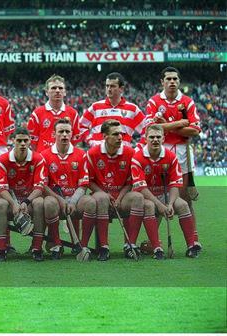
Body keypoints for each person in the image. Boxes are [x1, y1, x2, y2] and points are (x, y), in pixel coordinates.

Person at [144, 66, 201, 250]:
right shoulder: (154, 102)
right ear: (162, 82)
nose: (172, 82)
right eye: (168, 79)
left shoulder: (187, 102)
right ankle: (153, 242)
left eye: (175, 79)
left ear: (179, 81)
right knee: (159, 195)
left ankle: (194, 239)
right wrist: (179, 124)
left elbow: (194, 130)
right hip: (158, 151)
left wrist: (167, 126)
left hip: (183, 153)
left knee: (185, 199)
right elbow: (152, 129)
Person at [131, 124, 200, 258]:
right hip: (146, 197)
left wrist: (170, 204)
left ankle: (192, 246)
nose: (155, 140)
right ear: (145, 139)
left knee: (184, 205)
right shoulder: (137, 158)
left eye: (158, 137)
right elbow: (142, 188)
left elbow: (175, 184)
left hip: (166, 195)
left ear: (163, 139)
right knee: (150, 206)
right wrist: (159, 205)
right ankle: (157, 249)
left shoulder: (171, 157)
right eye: (151, 137)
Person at [85, 120, 144, 261]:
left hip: (122, 197)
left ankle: (130, 245)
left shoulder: (130, 152)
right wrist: (105, 194)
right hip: (101, 195)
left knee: (138, 198)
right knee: (102, 198)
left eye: (121, 134)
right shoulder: (93, 153)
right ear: (105, 136)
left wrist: (118, 198)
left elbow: (130, 182)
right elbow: (89, 181)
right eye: (115, 134)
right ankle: (104, 247)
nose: (120, 137)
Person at [40, 119, 96, 259]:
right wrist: (60, 199)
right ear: (54, 134)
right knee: (49, 203)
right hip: (55, 197)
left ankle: (82, 245)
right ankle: (57, 244)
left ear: (71, 134)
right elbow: (43, 185)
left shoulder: (81, 154)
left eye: (67, 132)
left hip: (75, 197)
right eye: (61, 132)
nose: (64, 135)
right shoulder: (44, 155)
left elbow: (83, 184)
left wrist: (72, 201)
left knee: (90, 202)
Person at [0, 128, 45, 261]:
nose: (22, 143)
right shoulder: (2, 159)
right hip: (11, 199)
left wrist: (26, 202)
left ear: (30, 141)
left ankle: (37, 248)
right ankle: (1, 249)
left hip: (30, 199)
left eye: (25, 140)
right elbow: (2, 188)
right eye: (19, 140)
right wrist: (14, 203)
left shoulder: (38, 158)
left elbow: (39, 187)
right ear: (12, 141)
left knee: (40, 203)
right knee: (0, 204)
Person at [78, 72, 146, 147]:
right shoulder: (95, 107)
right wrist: (90, 141)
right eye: (107, 86)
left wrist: (138, 148)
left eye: (113, 86)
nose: (109, 89)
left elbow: (147, 130)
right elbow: (81, 125)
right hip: (99, 154)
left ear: (121, 89)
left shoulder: (132, 109)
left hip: (123, 155)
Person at [27, 74, 79, 152]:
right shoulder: (37, 113)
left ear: (64, 92)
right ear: (47, 92)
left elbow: (75, 140)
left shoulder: (73, 113)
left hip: (65, 158)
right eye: (53, 88)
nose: (57, 90)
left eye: (60, 88)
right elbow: (32, 141)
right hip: (43, 159)